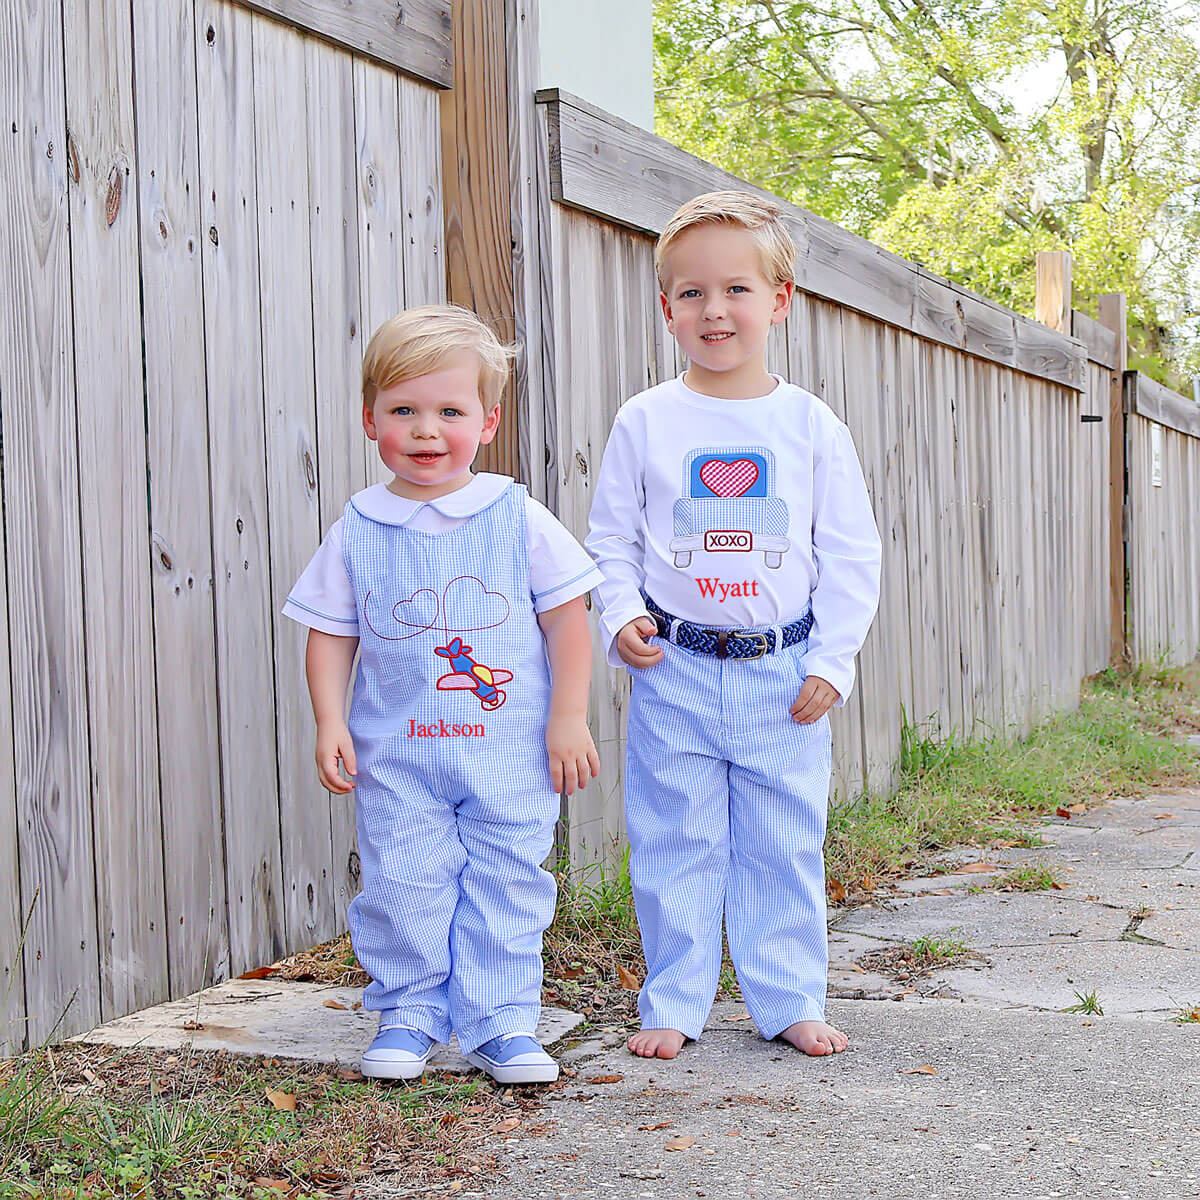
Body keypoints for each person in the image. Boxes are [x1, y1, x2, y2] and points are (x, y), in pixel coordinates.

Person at [586, 191, 881, 1060]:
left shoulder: (807, 425)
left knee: (781, 843)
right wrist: (621, 614)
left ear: (779, 301)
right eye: (691, 294)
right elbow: (610, 540)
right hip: (673, 666)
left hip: (781, 675)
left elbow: (852, 553)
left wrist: (834, 659)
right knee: (675, 839)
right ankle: (673, 999)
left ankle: (787, 997)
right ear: (667, 308)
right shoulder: (646, 420)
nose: (715, 310)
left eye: (737, 290)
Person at [284, 305, 602, 1084]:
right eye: (404, 411)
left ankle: (500, 1022)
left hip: (511, 754)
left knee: (507, 877)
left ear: (487, 422)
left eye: (450, 411)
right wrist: (331, 719)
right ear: (370, 420)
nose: (427, 431)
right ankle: (412, 1009)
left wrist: (568, 717)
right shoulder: (359, 525)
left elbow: (568, 623)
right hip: (398, 757)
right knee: (404, 878)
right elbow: (331, 634)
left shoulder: (516, 516)